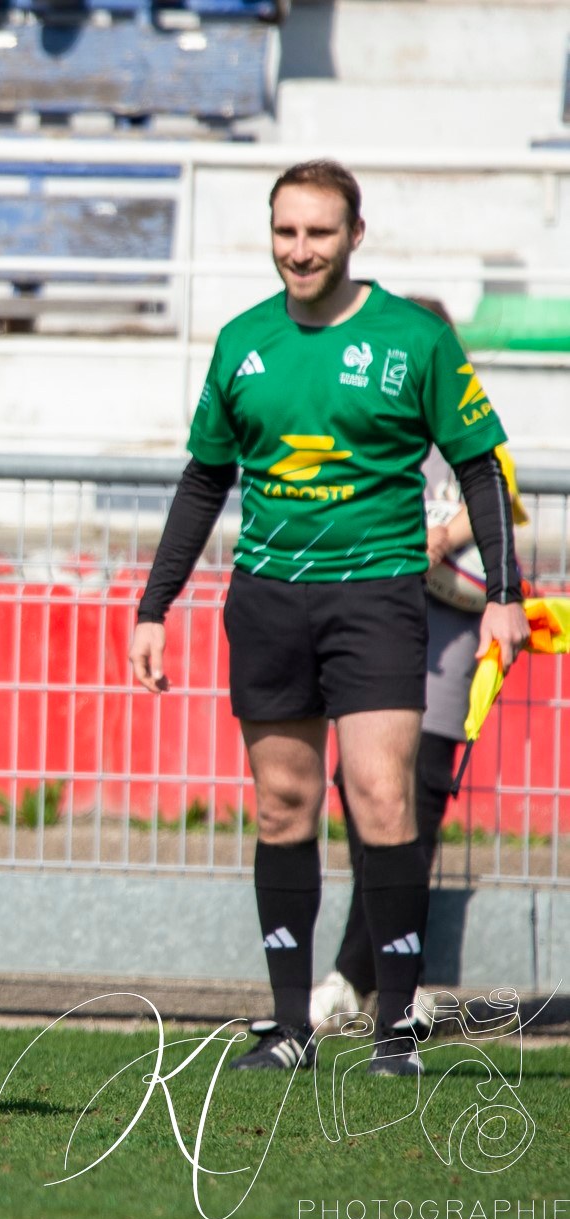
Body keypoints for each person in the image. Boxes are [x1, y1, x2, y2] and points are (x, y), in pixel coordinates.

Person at [128, 160, 529, 1076]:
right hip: (268, 598)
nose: (299, 250)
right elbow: (203, 482)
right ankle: (287, 1027)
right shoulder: (242, 342)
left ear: (355, 235)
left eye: (318, 232)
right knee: (282, 807)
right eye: (285, 232)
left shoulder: (414, 338)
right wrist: (154, 608)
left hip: (379, 596)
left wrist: (506, 593)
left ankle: (394, 1030)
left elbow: (481, 466)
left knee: (382, 798)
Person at [310, 442, 529, 1028]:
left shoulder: (463, 424)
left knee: (418, 796)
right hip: (379, 623)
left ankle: (359, 975)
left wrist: (441, 538)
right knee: (363, 788)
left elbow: (498, 494)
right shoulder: (368, 422)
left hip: (449, 631)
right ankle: (391, 971)